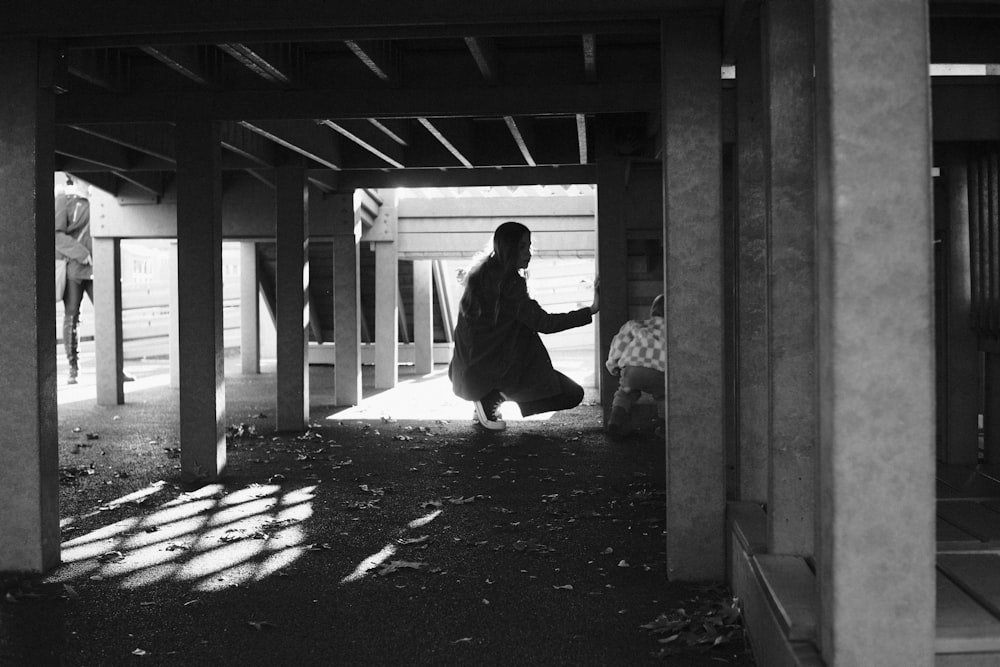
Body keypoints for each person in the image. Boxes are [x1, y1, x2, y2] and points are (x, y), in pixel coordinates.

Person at [449, 221, 599, 431]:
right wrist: (591, 309)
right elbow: (544, 323)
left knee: (518, 328)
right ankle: (491, 397)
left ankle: (487, 397)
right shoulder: (509, 284)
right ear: (508, 248)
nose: (528, 253)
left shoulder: (480, 273)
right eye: (522, 247)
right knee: (573, 394)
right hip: (491, 369)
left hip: (470, 369)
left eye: (528, 246)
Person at [55, 175, 133, 385]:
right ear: (73, 177)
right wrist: (82, 253)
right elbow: (56, 235)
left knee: (109, 315)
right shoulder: (64, 200)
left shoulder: (100, 199)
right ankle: (73, 369)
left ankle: (116, 369)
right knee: (72, 318)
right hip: (74, 270)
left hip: (100, 269)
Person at [604, 293, 666, 439]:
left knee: (624, 394)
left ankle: (615, 421)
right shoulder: (674, 330)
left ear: (652, 311)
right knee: (664, 397)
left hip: (633, 368)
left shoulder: (635, 325)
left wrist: (612, 364)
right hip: (661, 371)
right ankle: (665, 429)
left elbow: (619, 345)